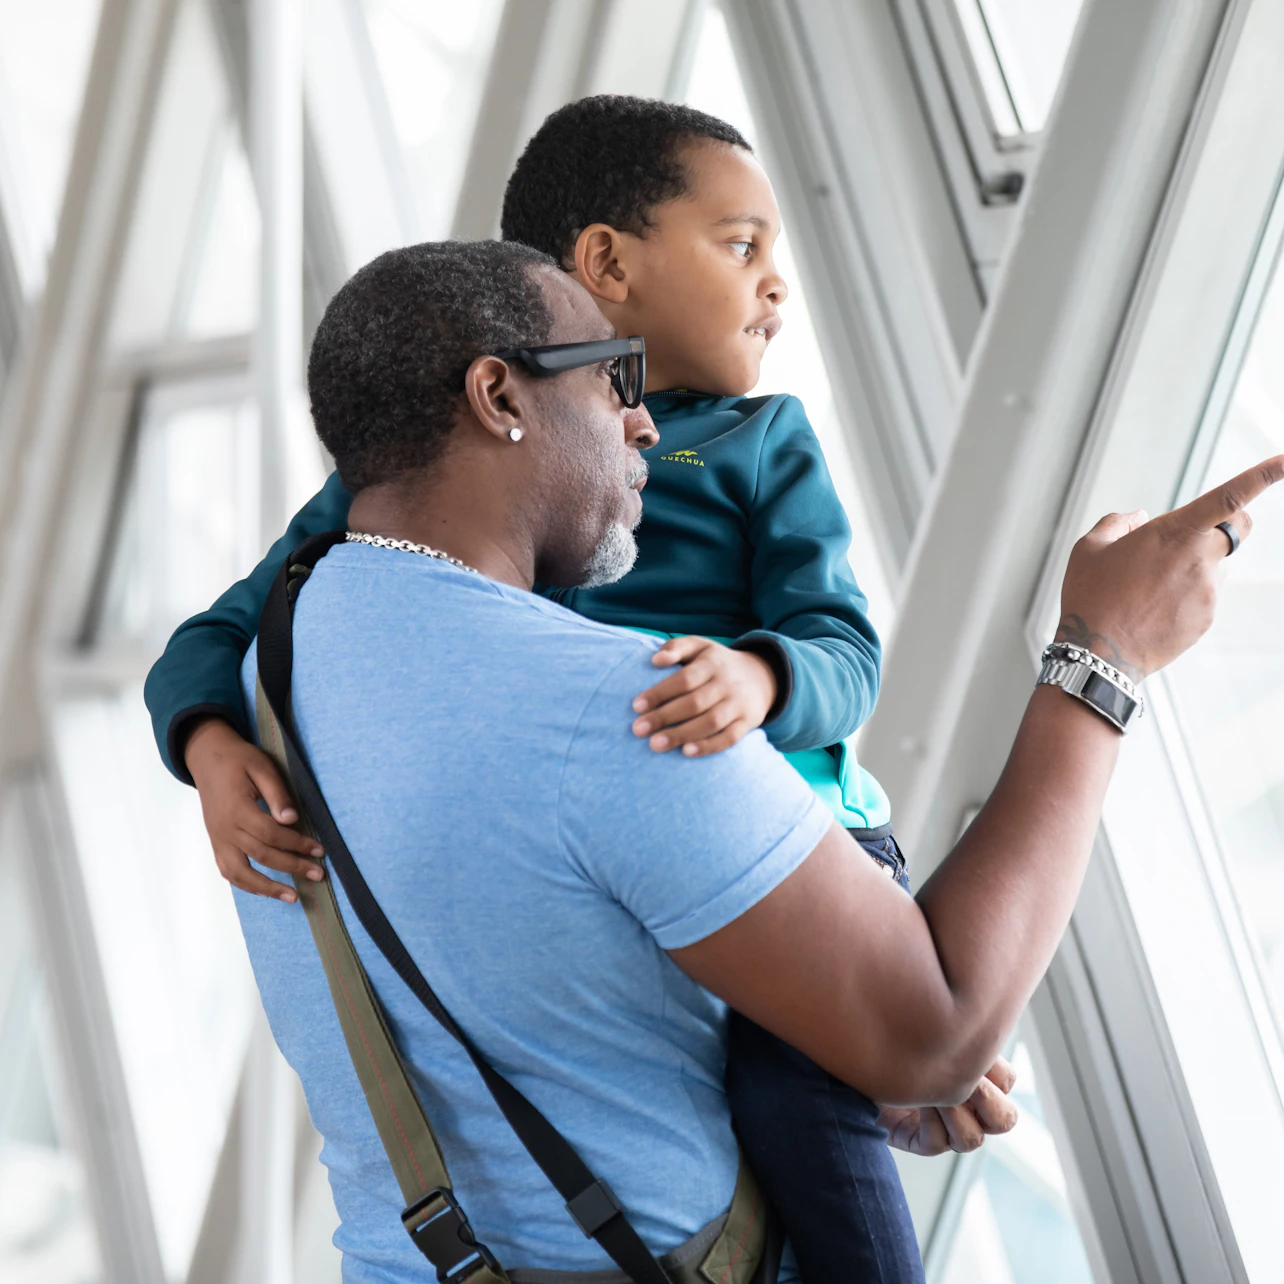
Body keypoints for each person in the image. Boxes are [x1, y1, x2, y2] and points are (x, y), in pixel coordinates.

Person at [227, 237, 1277, 1282]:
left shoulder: (273, 672)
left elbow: (531, 966)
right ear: (500, 396)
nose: (644, 421)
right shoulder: (624, 706)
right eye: (613, 377)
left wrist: (836, 1037)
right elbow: (939, 1029)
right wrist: (1102, 653)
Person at [145, 98, 1007, 1280]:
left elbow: (842, 646)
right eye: (741, 244)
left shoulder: (759, 443)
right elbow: (222, 627)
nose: (776, 286)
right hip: (657, 856)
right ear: (600, 268)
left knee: (818, 1101)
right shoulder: (409, 494)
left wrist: (760, 676)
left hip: (806, 830)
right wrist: (205, 742)